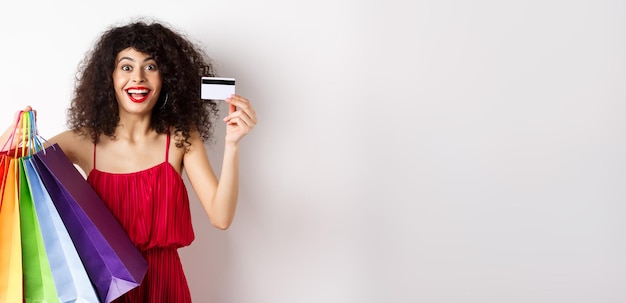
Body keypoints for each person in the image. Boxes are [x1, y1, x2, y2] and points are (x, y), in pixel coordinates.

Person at [1, 19, 257, 302]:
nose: (138, 78)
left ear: (166, 77)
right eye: (126, 67)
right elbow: (15, 179)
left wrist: (233, 145)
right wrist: (10, 137)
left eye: (150, 67)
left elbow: (220, 218)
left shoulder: (182, 138)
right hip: (107, 287)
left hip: (166, 287)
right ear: (108, 77)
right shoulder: (84, 141)